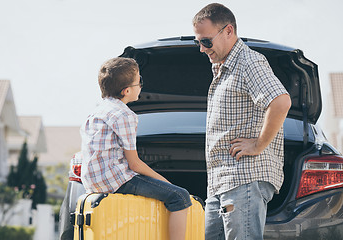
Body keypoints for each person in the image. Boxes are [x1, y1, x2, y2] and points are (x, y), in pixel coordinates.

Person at [193, 3, 292, 240]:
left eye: (206, 41)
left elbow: (280, 102)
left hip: (243, 178)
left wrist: (258, 145)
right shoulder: (223, 68)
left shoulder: (249, 62)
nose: (201, 49)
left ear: (228, 31)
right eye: (198, 42)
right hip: (219, 183)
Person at [80, 57, 192, 240]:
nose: (141, 85)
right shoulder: (125, 115)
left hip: (92, 182)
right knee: (180, 197)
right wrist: (168, 183)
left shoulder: (96, 112)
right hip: (115, 180)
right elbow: (135, 164)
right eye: (139, 81)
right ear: (126, 91)